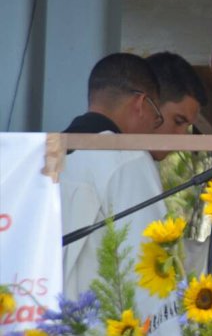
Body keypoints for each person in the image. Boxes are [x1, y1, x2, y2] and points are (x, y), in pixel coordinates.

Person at [60, 53, 171, 331]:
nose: (153, 131)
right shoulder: (126, 157)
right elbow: (148, 261)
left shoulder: (42, 157)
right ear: (141, 103)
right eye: (157, 119)